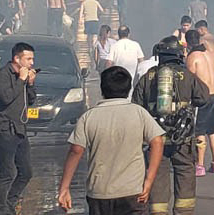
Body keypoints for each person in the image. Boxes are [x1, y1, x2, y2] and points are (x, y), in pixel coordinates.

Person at [58, 66, 166, 215]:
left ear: (102, 89)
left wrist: (64, 188)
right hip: (133, 191)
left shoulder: (89, 117)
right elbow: (157, 141)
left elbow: (76, 151)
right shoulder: (139, 113)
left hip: (99, 193)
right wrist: (149, 180)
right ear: (129, 89)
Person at [132, 36, 210, 215]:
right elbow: (203, 98)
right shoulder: (187, 75)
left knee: (157, 173)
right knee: (184, 171)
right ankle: (183, 212)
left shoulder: (149, 76)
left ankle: (158, 211)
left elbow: (136, 105)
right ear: (179, 55)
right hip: (182, 138)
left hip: (155, 139)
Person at [0, 42, 38, 215]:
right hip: (4, 129)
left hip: (20, 129)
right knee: (7, 172)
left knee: (26, 171)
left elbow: (31, 100)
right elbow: (5, 97)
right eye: (28, 59)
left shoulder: (24, 77)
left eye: (32, 59)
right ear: (17, 59)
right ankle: (1, 209)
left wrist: (30, 84)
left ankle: (9, 202)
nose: (31, 63)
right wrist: (20, 80)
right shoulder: (3, 75)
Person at [185, 30, 214, 177]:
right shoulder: (210, 54)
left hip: (202, 98)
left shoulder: (192, 57)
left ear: (187, 43)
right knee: (212, 131)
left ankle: (199, 165)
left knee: (199, 131)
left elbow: (189, 80)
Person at [194, 20, 214, 119]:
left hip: (209, 65)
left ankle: (209, 111)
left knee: (206, 88)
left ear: (201, 29)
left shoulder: (203, 40)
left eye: (197, 30)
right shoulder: (212, 38)